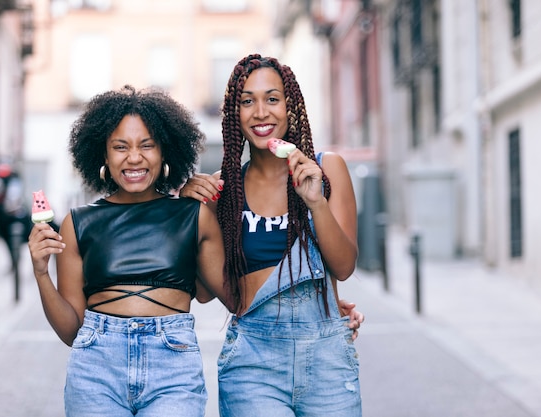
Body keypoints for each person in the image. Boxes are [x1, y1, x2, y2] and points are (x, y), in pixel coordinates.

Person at [27, 85, 234, 417]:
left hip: (174, 372)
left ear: (165, 152)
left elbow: (223, 295)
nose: (134, 157)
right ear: (104, 156)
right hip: (96, 371)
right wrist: (40, 273)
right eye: (120, 147)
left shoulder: (193, 216)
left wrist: (317, 297)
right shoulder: (78, 223)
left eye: (147, 146)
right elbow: (70, 331)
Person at [180, 54, 363, 416]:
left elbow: (343, 267)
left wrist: (315, 202)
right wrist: (189, 213)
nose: (261, 112)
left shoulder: (327, 170)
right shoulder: (222, 192)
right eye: (247, 101)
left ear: (290, 106)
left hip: (327, 357)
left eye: (272, 99)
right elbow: (202, 294)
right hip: (253, 362)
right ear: (235, 114)